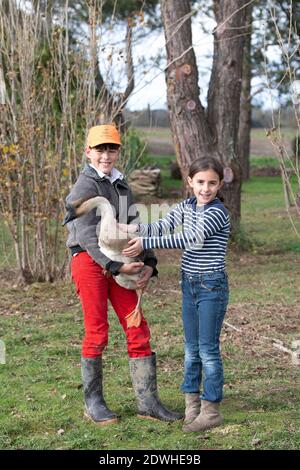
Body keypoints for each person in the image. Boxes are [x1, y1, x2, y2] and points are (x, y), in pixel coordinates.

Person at [63, 124, 182, 426]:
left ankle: (148, 402)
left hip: (120, 260)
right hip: (90, 262)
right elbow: (88, 235)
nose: (106, 154)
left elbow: (135, 228)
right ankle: (94, 403)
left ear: (118, 151)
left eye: (111, 148)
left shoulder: (121, 186)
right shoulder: (85, 187)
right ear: (88, 151)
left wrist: (150, 262)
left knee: (136, 324)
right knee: (97, 330)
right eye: (100, 149)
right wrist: (114, 267)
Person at [120, 157, 230, 432]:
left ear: (220, 184)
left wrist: (147, 243)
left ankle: (211, 410)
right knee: (191, 349)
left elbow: (189, 238)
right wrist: (134, 230)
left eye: (212, 183)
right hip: (189, 284)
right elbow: (163, 225)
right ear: (190, 182)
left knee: (208, 350)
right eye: (200, 182)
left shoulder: (217, 212)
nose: (206, 188)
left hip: (211, 286)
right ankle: (192, 406)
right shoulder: (188, 206)